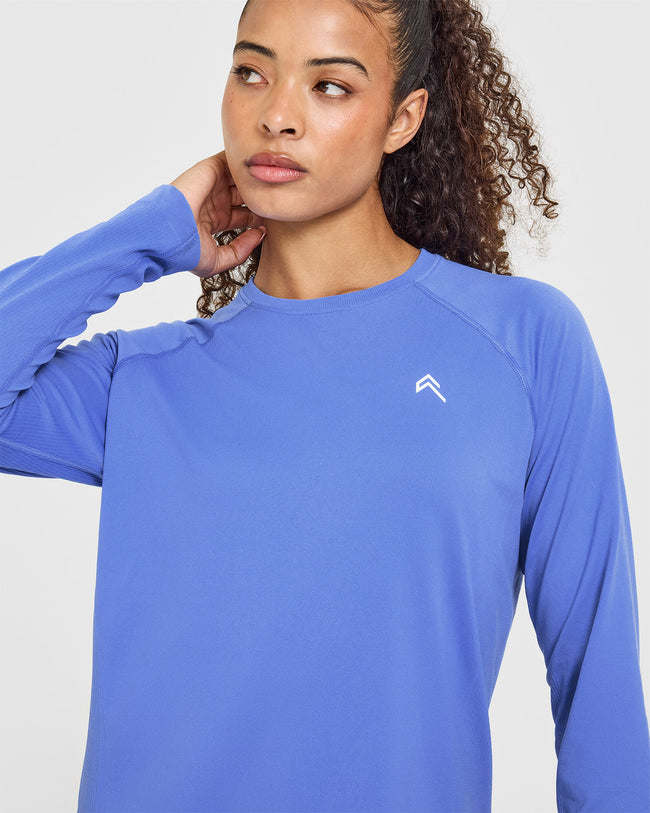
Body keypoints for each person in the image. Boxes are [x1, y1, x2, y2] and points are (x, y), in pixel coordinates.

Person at [1, 0, 648, 811]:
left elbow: (600, 690)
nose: (276, 115)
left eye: (330, 85)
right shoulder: (144, 379)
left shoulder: (523, 344)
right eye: (251, 72)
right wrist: (151, 231)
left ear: (402, 118)